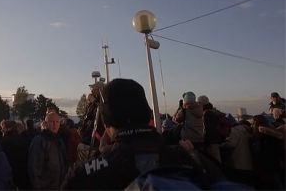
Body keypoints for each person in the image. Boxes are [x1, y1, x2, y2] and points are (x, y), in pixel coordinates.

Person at [63, 79, 200, 190]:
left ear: (106, 123)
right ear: (147, 115)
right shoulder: (187, 160)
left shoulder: (83, 176)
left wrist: (102, 156)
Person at [28, 111, 67, 190]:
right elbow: (34, 167)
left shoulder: (59, 140)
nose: (55, 124)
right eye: (52, 122)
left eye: (57, 122)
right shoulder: (39, 140)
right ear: (46, 123)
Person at [77, 82, 104, 162]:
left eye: (94, 89)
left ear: (100, 90)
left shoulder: (102, 103)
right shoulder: (92, 105)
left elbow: (101, 112)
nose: (91, 91)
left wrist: (94, 101)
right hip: (88, 138)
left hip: (95, 142)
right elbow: (87, 118)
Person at [0, 120, 31, 189]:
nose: (1, 130)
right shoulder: (23, 139)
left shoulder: (5, 141)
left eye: (3, 127)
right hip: (23, 173)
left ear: (9, 128)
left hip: (11, 174)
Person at [198, 95, 227, 163]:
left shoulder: (206, 114)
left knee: (215, 161)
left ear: (202, 103)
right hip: (217, 140)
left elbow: (208, 129)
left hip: (211, 141)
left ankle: (218, 173)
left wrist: (205, 141)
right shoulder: (213, 112)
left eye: (199, 103)